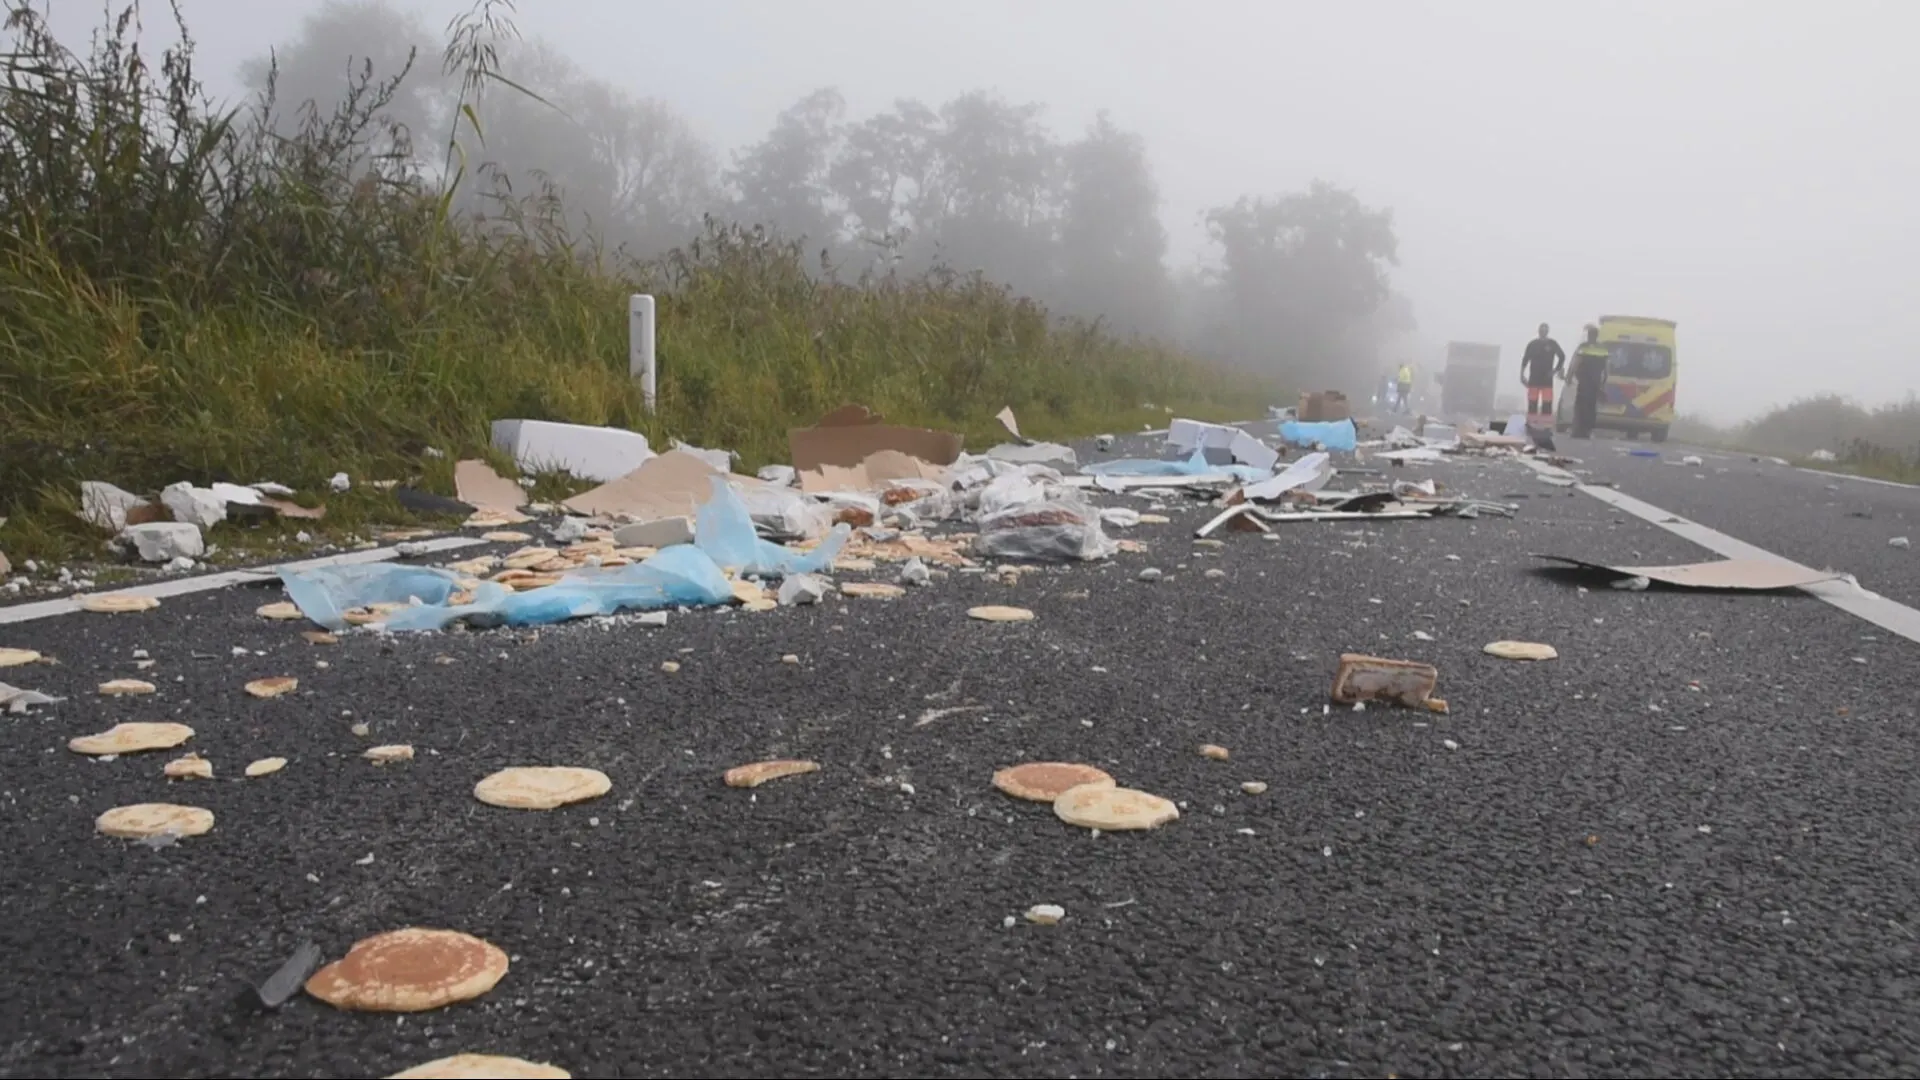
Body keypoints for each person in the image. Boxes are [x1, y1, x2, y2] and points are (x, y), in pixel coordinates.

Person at [1519, 323, 1565, 427]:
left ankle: (1545, 425)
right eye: (1541, 330)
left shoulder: (1552, 344)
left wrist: (1555, 370)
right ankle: (1531, 424)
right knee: (1532, 403)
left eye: (1545, 330)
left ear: (1547, 331)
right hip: (1534, 379)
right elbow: (1525, 360)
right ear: (1539, 331)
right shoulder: (1532, 344)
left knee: (1547, 403)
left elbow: (1562, 357)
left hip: (1547, 379)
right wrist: (1522, 375)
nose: (1543, 332)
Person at [1569, 324, 1610, 438]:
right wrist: (1604, 381)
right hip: (1595, 382)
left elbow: (1576, 362)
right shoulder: (1602, 348)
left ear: (1589, 335)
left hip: (1584, 381)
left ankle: (1578, 430)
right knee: (1591, 407)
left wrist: (1570, 376)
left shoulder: (1583, 347)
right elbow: (1606, 367)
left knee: (1580, 406)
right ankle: (1588, 430)